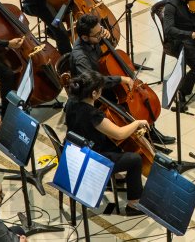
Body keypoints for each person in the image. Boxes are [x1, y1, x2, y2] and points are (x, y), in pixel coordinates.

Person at [61, 70, 149, 217]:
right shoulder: (93, 114)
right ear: (94, 93)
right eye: (100, 89)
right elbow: (119, 133)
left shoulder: (71, 101)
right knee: (134, 159)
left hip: (76, 152)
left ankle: (111, 179)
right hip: (91, 159)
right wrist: (137, 123)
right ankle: (134, 203)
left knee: (116, 147)